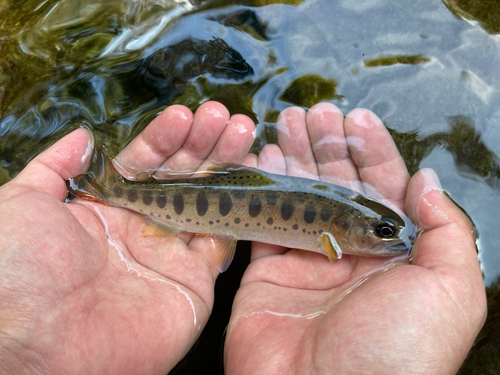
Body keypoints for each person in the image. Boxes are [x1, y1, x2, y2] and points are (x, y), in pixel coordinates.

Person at [0, 101, 486, 374]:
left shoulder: (339, 227)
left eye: (387, 234)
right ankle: (108, 192)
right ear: (339, 235)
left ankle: (109, 191)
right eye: (382, 233)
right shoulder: (334, 231)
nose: (392, 240)